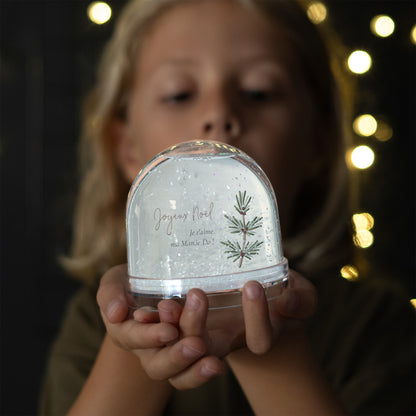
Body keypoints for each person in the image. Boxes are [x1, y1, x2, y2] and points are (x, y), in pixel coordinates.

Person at [39, 0, 415, 415]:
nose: (218, 114)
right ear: (127, 148)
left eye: (259, 92)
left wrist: (272, 345)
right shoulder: (93, 326)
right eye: (179, 94)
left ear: (318, 142)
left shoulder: (376, 326)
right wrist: (137, 334)